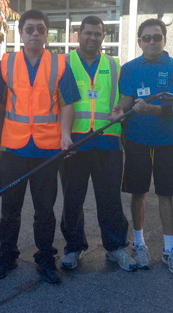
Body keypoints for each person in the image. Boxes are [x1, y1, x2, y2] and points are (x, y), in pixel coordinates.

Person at [0, 9, 79, 284]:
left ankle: (45, 257)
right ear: (20, 33)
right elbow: (0, 103)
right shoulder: (6, 62)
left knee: (44, 210)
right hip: (14, 149)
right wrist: (3, 136)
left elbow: (67, 103)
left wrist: (65, 136)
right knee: (9, 209)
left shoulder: (60, 63)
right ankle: (7, 256)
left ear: (47, 33)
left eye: (40, 29)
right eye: (29, 29)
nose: (35, 34)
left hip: (48, 149)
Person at [112, 18, 173, 275]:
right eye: (147, 38)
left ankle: (169, 250)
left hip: (168, 143)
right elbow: (128, 96)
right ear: (139, 42)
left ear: (165, 40)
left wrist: (151, 109)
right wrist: (120, 108)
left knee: (166, 196)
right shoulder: (130, 68)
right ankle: (139, 244)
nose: (152, 42)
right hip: (136, 140)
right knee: (138, 193)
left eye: (157, 37)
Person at [59, 16, 136, 272]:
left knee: (110, 199)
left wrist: (121, 108)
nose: (93, 38)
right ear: (78, 35)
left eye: (98, 34)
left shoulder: (114, 65)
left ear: (104, 37)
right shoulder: (64, 63)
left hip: (108, 142)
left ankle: (115, 247)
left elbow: (127, 94)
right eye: (88, 33)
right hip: (74, 144)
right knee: (72, 199)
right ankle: (73, 247)